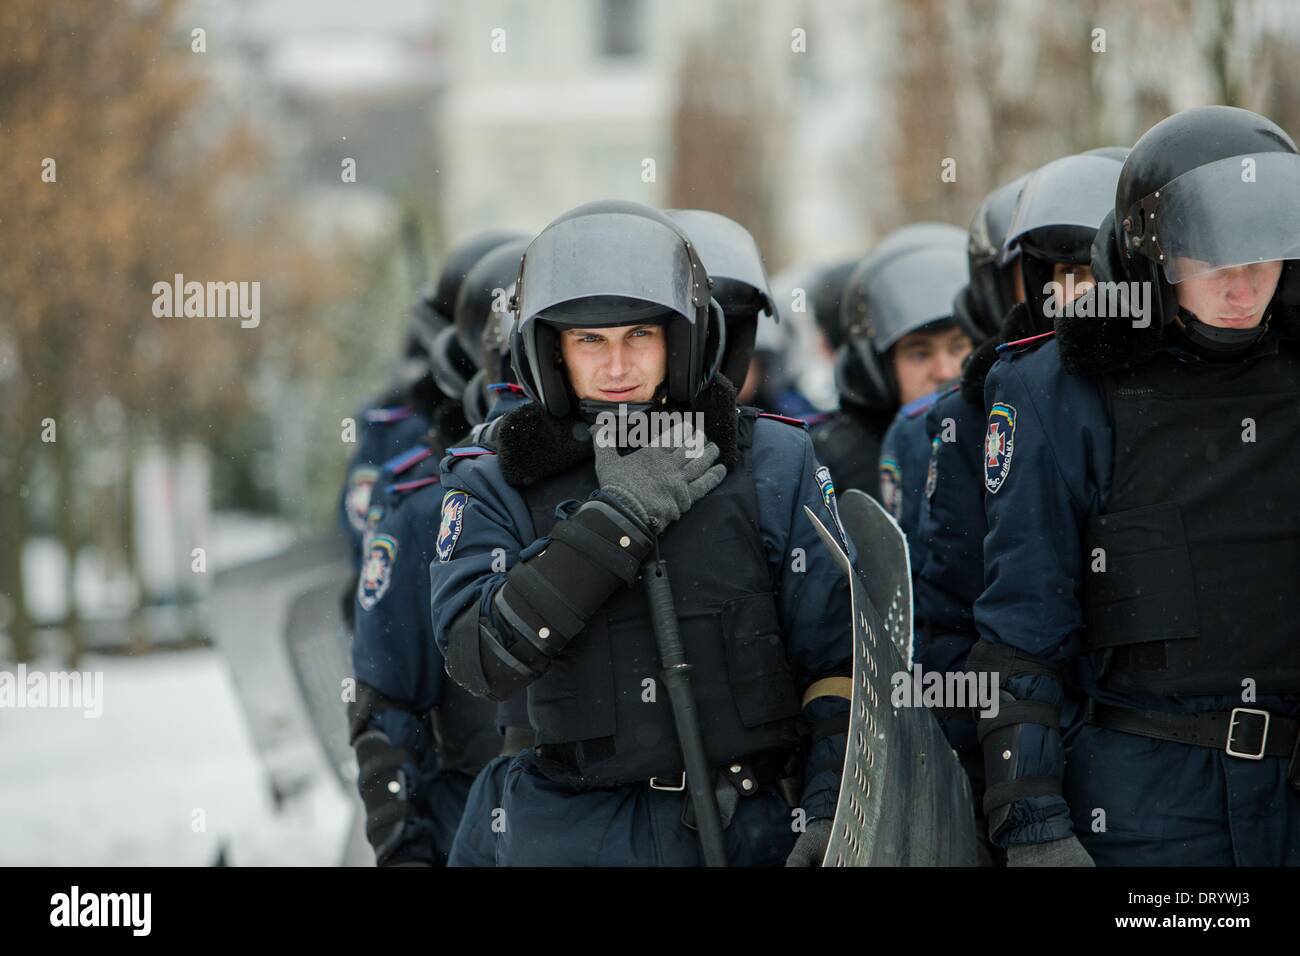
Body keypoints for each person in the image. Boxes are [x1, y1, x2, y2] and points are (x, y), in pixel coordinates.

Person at [429, 199, 854, 866]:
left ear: (681, 340)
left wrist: (831, 812)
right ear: (551, 352)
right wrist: (617, 518)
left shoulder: (771, 460)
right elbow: (477, 658)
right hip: (573, 833)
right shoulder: (496, 479)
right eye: (589, 341)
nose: (617, 366)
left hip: (754, 829)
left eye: (639, 336)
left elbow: (840, 661)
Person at [971, 106, 1300, 866]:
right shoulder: (1066, 390)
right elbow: (1022, 634)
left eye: (1264, 254)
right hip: (1146, 804)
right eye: (1209, 257)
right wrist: (1033, 825)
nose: (1242, 285)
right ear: (1152, 257)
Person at [912, 153, 1123, 857]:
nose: (1071, 296)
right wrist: (991, 788)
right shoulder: (982, 412)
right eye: (1052, 275)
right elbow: (953, 612)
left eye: (1089, 273)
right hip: (1040, 757)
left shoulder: (1165, 398)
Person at [814, 223, 974, 505]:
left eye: (958, 346)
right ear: (877, 369)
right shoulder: (834, 465)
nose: (946, 372)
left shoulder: (1008, 433)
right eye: (920, 354)